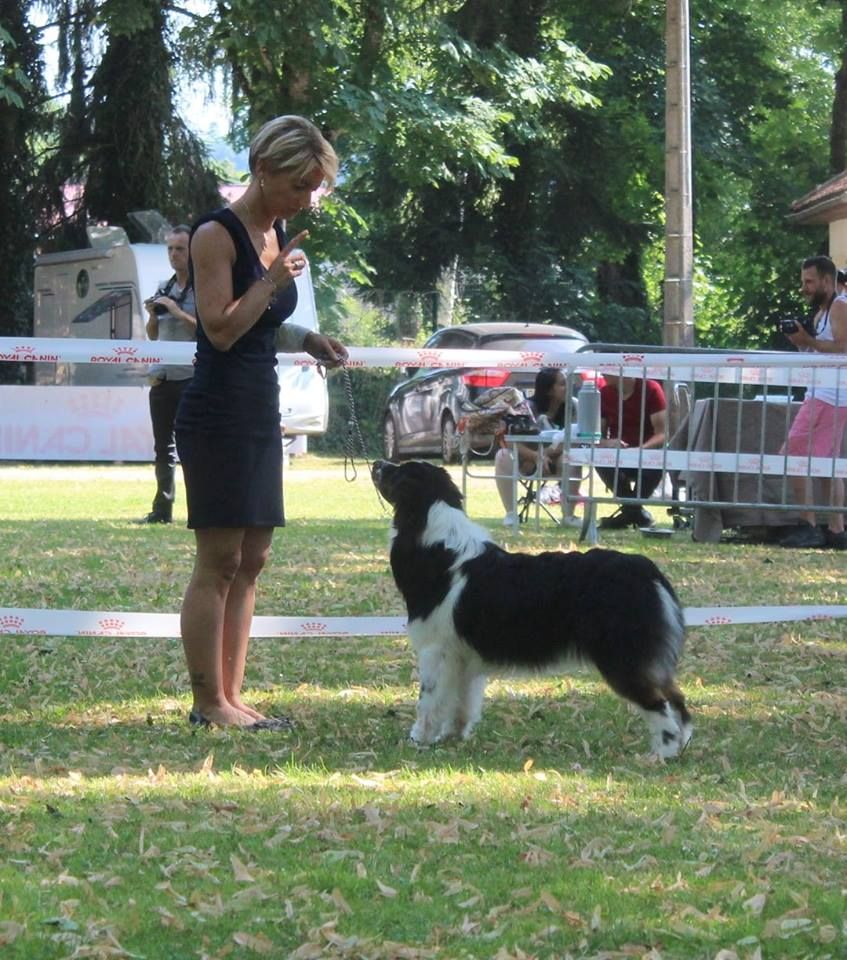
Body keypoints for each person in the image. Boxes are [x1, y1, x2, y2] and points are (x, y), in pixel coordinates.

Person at [174, 116, 348, 729]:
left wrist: (308, 336)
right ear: (263, 169)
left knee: (253, 559)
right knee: (218, 560)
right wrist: (274, 277)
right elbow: (219, 330)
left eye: (315, 187)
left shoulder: (276, 230)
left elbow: (262, 324)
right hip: (216, 411)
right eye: (300, 184)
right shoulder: (214, 234)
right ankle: (207, 703)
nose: (307, 199)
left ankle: (233, 698)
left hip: (258, 408)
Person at [779, 255, 847, 550]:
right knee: (826, 465)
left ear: (826, 281)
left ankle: (809, 525)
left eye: (809, 281)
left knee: (794, 452)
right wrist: (802, 342)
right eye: (803, 281)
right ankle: (835, 529)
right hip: (826, 395)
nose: (804, 287)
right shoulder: (824, 310)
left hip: (828, 396)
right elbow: (825, 349)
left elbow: (844, 347)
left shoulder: (841, 306)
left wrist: (810, 340)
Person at [142, 225, 196, 524]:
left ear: (192, 252)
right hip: (161, 378)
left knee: (192, 448)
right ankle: (162, 510)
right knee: (163, 448)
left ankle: (198, 511)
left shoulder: (204, 288)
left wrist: (176, 311)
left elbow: (207, 329)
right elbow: (153, 335)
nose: (174, 255)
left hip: (191, 378)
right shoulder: (165, 287)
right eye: (170, 249)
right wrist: (154, 314)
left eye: (180, 249)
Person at [494, 367, 582, 528]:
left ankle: (568, 516)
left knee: (572, 457)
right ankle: (511, 514)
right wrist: (535, 456)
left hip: (556, 459)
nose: (569, 387)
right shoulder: (526, 408)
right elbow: (510, 441)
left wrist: (545, 454)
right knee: (502, 455)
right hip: (526, 461)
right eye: (563, 384)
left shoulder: (573, 406)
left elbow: (576, 440)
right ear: (548, 390)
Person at [596, 374, 667, 529]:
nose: (602, 373)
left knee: (657, 464)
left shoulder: (651, 388)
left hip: (648, 453)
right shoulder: (604, 393)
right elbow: (596, 437)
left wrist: (641, 449)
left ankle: (629, 514)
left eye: (607, 369)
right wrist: (608, 443)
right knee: (600, 460)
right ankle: (636, 513)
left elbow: (662, 433)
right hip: (617, 455)